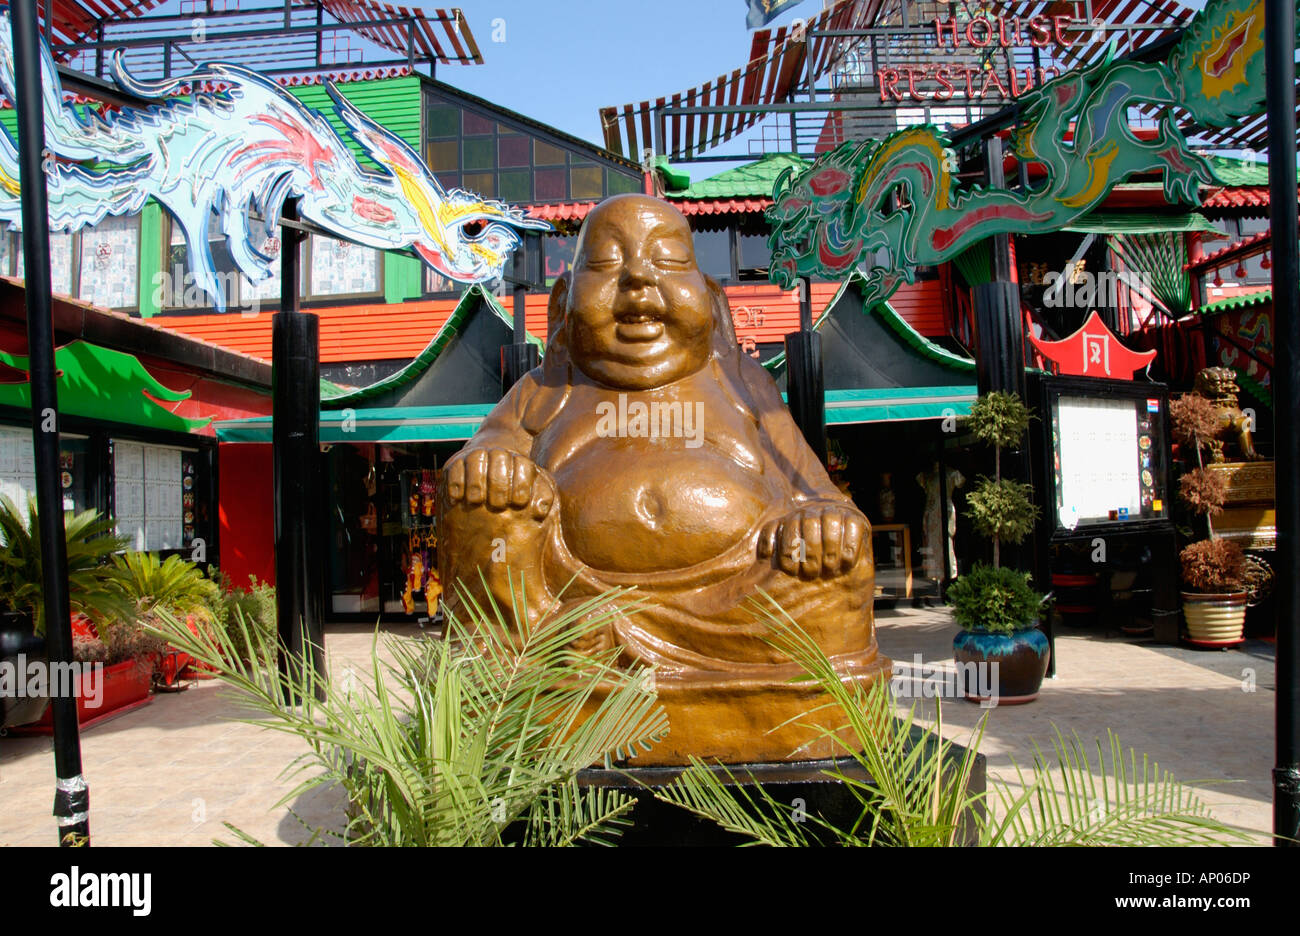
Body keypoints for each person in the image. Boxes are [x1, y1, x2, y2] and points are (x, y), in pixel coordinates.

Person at [438, 194, 889, 764]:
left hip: (739, 604)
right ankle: (531, 667)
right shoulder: (547, 390)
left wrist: (824, 522)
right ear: (563, 302)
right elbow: (481, 455)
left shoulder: (743, 385)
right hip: (567, 610)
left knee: (834, 573)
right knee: (482, 507)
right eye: (604, 264)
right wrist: (491, 469)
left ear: (712, 299)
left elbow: (817, 493)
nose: (637, 279)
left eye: (669, 260)